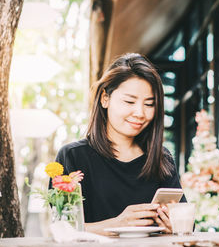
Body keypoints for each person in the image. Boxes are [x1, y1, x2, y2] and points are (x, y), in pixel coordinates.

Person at [54, 53, 185, 236]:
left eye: (149, 104)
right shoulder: (73, 156)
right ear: (104, 98)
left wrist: (176, 226)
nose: (140, 113)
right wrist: (117, 225)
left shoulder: (161, 158)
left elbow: (185, 222)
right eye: (129, 101)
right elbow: (61, 229)